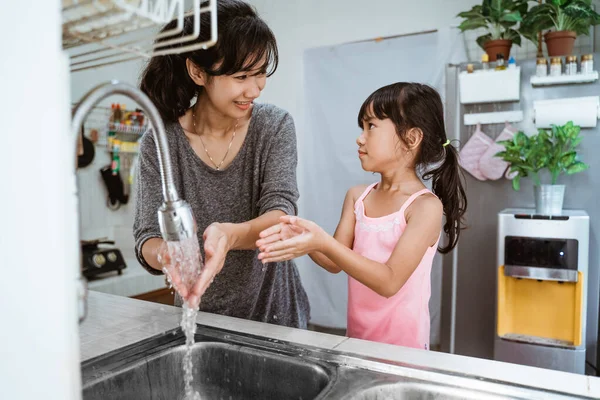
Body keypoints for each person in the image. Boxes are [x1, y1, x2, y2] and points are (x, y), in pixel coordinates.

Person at [133, 0, 310, 329]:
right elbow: (147, 237)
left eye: (260, 74)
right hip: (201, 319)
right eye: (242, 76)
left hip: (275, 315)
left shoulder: (273, 127)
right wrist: (167, 256)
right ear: (197, 71)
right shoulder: (160, 141)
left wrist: (231, 236)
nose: (254, 89)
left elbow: (280, 213)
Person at [256, 82, 467, 348]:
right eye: (362, 128)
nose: (360, 137)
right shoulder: (358, 197)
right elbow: (333, 261)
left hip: (405, 353)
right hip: (357, 344)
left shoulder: (424, 207)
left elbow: (389, 281)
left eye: (371, 126)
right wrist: (304, 237)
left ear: (411, 138)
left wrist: (323, 241)